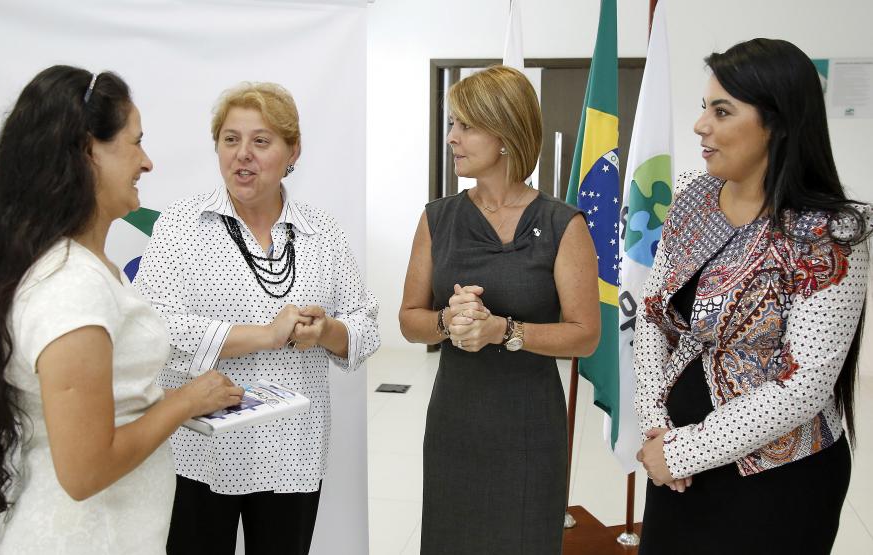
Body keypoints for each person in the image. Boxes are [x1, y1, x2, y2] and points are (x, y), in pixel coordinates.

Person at [0, 65, 245, 555]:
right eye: (135, 143)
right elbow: (85, 470)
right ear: (87, 153)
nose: (148, 162)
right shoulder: (71, 287)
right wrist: (186, 401)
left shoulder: (87, 268)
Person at [634, 38, 870, 555]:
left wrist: (685, 451)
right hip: (675, 464)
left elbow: (805, 384)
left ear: (779, 123)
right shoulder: (695, 195)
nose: (701, 126)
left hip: (777, 480)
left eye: (722, 111)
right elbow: (654, 316)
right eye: (704, 108)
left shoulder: (829, 233)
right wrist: (656, 423)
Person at [134, 81, 379, 555]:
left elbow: (367, 326)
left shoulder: (322, 232)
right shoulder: (182, 224)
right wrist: (266, 335)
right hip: (199, 452)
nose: (242, 155)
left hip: (292, 453)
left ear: (293, 152)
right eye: (230, 139)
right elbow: (154, 327)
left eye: (261, 141)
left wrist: (329, 331)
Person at [398, 65, 601, 554]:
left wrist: (504, 331)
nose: (451, 137)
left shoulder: (562, 224)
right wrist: (449, 322)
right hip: (456, 421)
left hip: (529, 425)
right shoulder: (438, 218)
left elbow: (585, 335)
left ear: (505, 133)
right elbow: (409, 320)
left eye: (465, 126)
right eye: (453, 124)